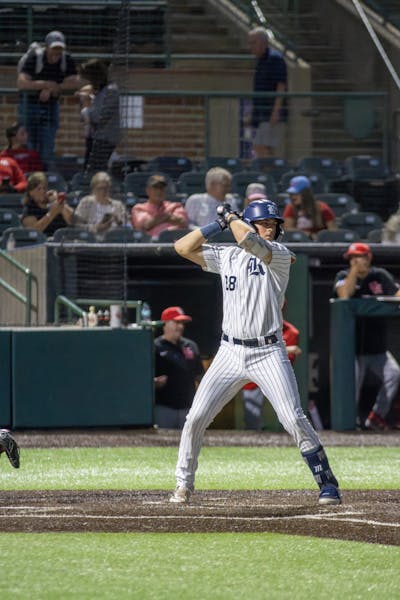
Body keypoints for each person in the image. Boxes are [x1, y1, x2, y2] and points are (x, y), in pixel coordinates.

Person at [169, 198, 341, 506]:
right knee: (196, 417)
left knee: (293, 418)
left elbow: (249, 241)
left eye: (273, 224)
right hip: (229, 351)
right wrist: (218, 224)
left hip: (268, 351)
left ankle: (327, 482)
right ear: (250, 224)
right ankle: (183, 484)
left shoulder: (279, 254)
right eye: (264, 224)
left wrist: (233, 219)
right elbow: (182, 247)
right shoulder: (228, 256)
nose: (270, 229)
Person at [333, 242, 400, 430]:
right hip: (351, 349)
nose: (355, 261)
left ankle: (376, 416)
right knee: (351, 388)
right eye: (352, 258)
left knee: (394, 374)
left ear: (368, 257)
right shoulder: (343, 276)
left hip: (377, 347)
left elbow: (397, 294)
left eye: (359, 257)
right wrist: (354, 272)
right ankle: (349, 424)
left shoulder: (380, 275)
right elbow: (344, 296)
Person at [17, 30, 80, 167]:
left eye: (60, 48)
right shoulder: (35, 57)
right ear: (47, 47)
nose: (57, 52)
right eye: (54, 48)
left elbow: (75, 82)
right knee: (29, 143)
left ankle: (44, 175)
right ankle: (29, 174)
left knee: (47, 146)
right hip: (29, 105)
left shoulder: (66, 59)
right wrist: (45, 84)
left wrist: (53, 88)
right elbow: (22, 83)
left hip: (51, 106)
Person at [243, 305, 302, 430]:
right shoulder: (255, 328)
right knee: (252, 420)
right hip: (254, 377)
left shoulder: (291, 332)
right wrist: (287, 349)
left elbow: (287, 362)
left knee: (290, 416)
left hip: (277, 377)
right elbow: (249, 351)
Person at [154, 306, 204, 429]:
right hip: (164, 408)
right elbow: (143, 378)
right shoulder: (155, 346)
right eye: (176, 322)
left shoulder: (191, 346)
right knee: (163, 440)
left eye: (182, 323)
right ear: (165, 324)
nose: (180, 326)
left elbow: (200, 376)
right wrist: (154, 382)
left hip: (188, 407)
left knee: (189, 439)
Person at [248, 27, 288, 158]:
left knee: (260, 147)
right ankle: (269, 170)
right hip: (261, 114)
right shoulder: (260, 61)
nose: (250, 47)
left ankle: (268, 170)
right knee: (265, 149)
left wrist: (276, 112)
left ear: (263, 42)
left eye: (253, 42)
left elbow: (281, 86)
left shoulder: (275, 59)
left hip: (270, 114)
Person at [77, 59, 120, 172]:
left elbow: (98, 117)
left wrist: (86, 104)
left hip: (105, 139)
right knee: (88, 169)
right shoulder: (99, 91)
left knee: (95, 170)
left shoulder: (111, 91)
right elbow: (84, 117)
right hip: (94, 138)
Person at [131, 174, 188, 239]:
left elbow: (183, 222)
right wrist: (167, 217)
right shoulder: (139, 208)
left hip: (173, 242)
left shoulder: (175, 206)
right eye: (155, 188)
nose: (159, 191)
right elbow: (145, 225)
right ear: (148, 191)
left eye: (161, 188)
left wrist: (156, 220)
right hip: (149, 243)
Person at [74, 171, 127, 238]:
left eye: (106, 188)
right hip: (90, 240)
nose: (104, 191)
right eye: (100, 188)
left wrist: (117, 221)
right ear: (94, 189)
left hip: (113, 240)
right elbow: (77, 224)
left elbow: (126, 226)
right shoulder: (86, 202)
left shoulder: (118, 205)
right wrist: (96, 228)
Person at [283, 175, 336, 239]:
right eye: (291, 194)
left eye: (296, 193)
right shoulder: (290, 207)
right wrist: (308, 234)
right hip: (298, 241)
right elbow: (288, 229)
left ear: (306, 193)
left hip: (320, 242)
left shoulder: (322, 208)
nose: (293, 197)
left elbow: (333, 232)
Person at [21, 171, 74, 236]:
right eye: (39, 189)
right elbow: (33, 232)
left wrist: (60, 202)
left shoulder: (54, 203)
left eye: (44, 188)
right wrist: (52, 213)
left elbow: (73, 222)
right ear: (31, 192)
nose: (42, 191)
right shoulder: (29, 209)